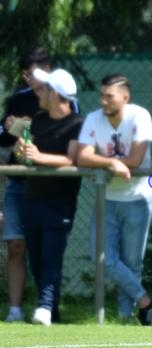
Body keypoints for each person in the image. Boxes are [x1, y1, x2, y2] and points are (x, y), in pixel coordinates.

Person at [76, 74, 152, 325]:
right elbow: (83, 156)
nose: (103, 101)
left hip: (138, 197)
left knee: (132, 262)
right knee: (101, 257)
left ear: (125, 97)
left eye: (109, 96)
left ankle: (127, 317)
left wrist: (106, 164)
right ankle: (147, 302)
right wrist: (111, 163)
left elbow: (136, 159)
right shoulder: (94, 119)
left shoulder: (140, 116)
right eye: (101, 95)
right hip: (108, 198)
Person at [14, 68, 83, 326]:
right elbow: (27, 157)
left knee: (51, 258)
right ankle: (51, 311)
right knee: (37, 260)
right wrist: (23, 152)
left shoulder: (78, 123)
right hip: (32, 198)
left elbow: (71, 158)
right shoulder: (40, 118)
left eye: (44, 89)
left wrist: (39, 157)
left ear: (55, 94)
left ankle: (43, 306)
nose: (39, 94)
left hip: (60, 203)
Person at [0, 47, 51, 322]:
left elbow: (72, 134)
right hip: (18, 183)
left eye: (35, 74)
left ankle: (48, 307)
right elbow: (3, 137)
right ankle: (15, 310)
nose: (30, 79)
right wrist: (7, 128)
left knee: (45, 250)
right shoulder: (18, 99)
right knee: (15, 246)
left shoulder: (62, 100)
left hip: (49, 186)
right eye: (25, 74)